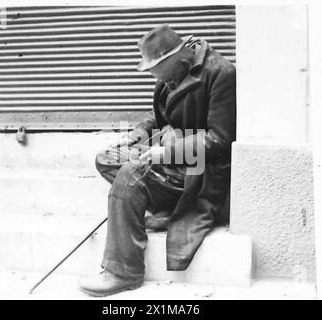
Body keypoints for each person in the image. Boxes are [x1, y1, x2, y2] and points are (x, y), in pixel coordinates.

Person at [79, 24, 236, 297]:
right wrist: (139, 134)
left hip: (198, 170)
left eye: (157, 71)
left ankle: (123, 272)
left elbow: (221, 139)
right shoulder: (170, 73)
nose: (156, 77)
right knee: (107, 158)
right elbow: (159, 116)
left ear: (178, 57)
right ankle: (158, 202)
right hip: (170, 156)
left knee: (129, 175)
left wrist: (166, 153)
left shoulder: (219, 72)